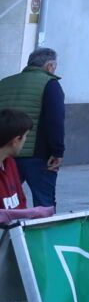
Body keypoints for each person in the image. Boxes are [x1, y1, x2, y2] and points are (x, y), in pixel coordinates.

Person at [0, 46, 65, 208]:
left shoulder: (5, 82)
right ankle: (44, 234)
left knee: (8, 201)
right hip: (38, 155)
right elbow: (55, 121)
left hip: (6, 153)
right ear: (50, 66)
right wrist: (57, 152)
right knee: (44, 204)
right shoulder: (50, 84)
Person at [1, 109, 34, 211]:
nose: (25, 141)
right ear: (15, 140)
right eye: (25, 136)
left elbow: (21, 201)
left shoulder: (10, 162)